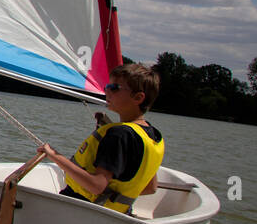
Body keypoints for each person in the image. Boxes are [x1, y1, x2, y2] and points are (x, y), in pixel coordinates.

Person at [40, 63, 164, 214]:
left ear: (138, 97)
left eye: (115, 88)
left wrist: (54, 156)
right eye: (107, 86)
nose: (107, 91)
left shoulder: (119, 135)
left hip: (85, 212)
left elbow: (96, 186)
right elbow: (150, 188)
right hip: (116, 215)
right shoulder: (151, 136)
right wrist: (115, 197)